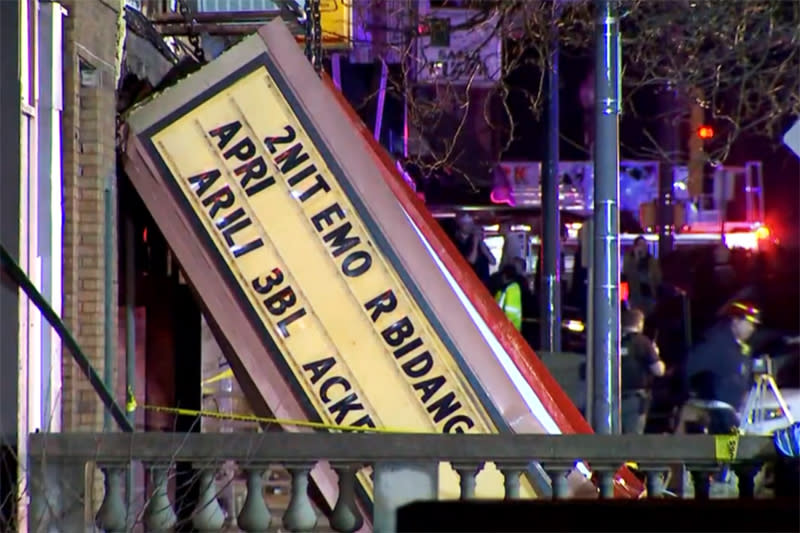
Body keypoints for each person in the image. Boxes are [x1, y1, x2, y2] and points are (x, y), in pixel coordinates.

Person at [684, 299, 761, 434]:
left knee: (729, 453)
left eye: (754, 325)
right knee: (723, 452)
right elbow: (692, 370)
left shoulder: (742, 349)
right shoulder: (716, 344)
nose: (751, 329)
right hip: (714, 415)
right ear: (735, 321)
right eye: (748, 323)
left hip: (731, 414)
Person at [620, 308, 666, 434]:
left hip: (612, 399)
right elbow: (658, 370)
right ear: (640, 323)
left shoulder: (614, 342)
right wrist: (656, 354)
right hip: (634, 401)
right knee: (633, 441)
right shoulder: (643, 343)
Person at [622, 236, 662, 316]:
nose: (642, 247)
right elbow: (627, 272)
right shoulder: (629, 258)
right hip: (634, 295)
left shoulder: (652, 260)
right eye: (640, 245)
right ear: (635, 246)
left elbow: (658, 278)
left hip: (648, 295)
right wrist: (636, 259)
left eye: (644, 245)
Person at [453, 213, 496, 286]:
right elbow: (471, 261)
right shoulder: (458, 242)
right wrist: (475, 243)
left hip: (484, 281)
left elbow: (492, 261)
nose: (470, 226)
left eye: (471, 224)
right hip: (471, 281)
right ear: (461, 225)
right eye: (467, 224)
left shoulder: (477, 241)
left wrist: (481, 243)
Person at [495, 264, 523, 332]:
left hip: (508, 330)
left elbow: (508, 314)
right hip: (511, 329)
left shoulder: (510, 290)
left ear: (504, 276)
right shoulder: (508, 289)